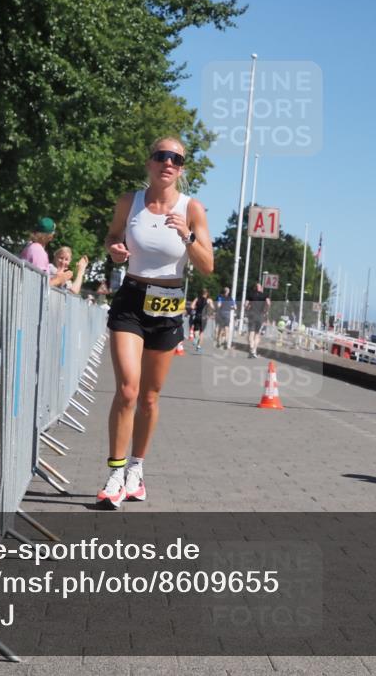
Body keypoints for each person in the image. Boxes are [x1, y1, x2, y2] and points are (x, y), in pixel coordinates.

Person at [98, 136, 213, 509]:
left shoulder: (191, 207)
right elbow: (113, 237)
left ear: (181, 169)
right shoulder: (129, 202)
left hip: (168, 304)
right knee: (128, 390)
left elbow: (207, 265)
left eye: (177, 159)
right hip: (131, 299)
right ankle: (115, 472)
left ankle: (137, 468)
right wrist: (115, 249)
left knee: (149, 397)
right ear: (149, 162)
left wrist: (188, 235)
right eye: (162, 156)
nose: (169, 163)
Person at [19, 217, 72, 288]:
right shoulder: (38, 251)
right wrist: (62, 278)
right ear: (50, 236)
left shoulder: (30, 246)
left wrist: (57, 277)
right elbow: (41, 285)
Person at [244, 282, 271, 358]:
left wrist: (246, 309)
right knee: (257, 334)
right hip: (260, 316)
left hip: (252, 315)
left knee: (251, 334)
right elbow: (268, 303)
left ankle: (251, 349)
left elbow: (246, 305)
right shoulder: (265, 295)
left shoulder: (250, 294)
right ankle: (254, 351)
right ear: (261, 288)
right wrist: (266, 310)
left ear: (255, 288)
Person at [189, 288, 214, 352]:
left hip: (197, 316)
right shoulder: (209, 300)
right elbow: (213, 308)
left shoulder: (197, 298)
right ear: (207, 293)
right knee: (202, 332)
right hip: (204, 317)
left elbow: (192, 306)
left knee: (196, 330)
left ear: (201, 293)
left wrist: (196, 307)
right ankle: (198, 347)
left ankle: (195, 338)